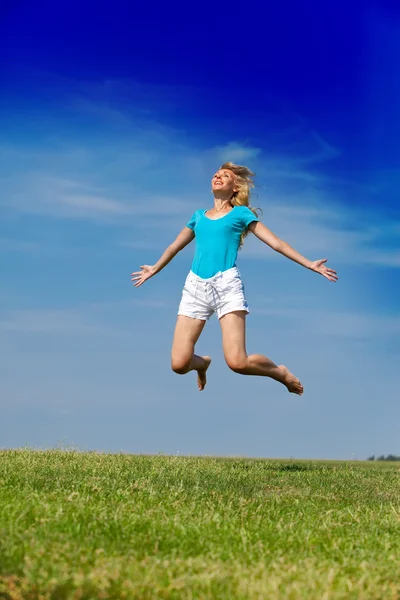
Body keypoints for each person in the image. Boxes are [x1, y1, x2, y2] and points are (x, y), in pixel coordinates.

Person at [132, 162, 338, 395]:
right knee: (179, 365)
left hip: (226, 285)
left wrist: (309, 264)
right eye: (216, 174)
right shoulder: (198, 216)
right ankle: (202, 363)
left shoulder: (241, 214)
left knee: (237, 362)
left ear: (235, 188)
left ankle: (278, 372)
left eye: (225, 175)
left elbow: (276, 243)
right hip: (195, 287)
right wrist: (155, 268)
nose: (218, 176)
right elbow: (174, 246)